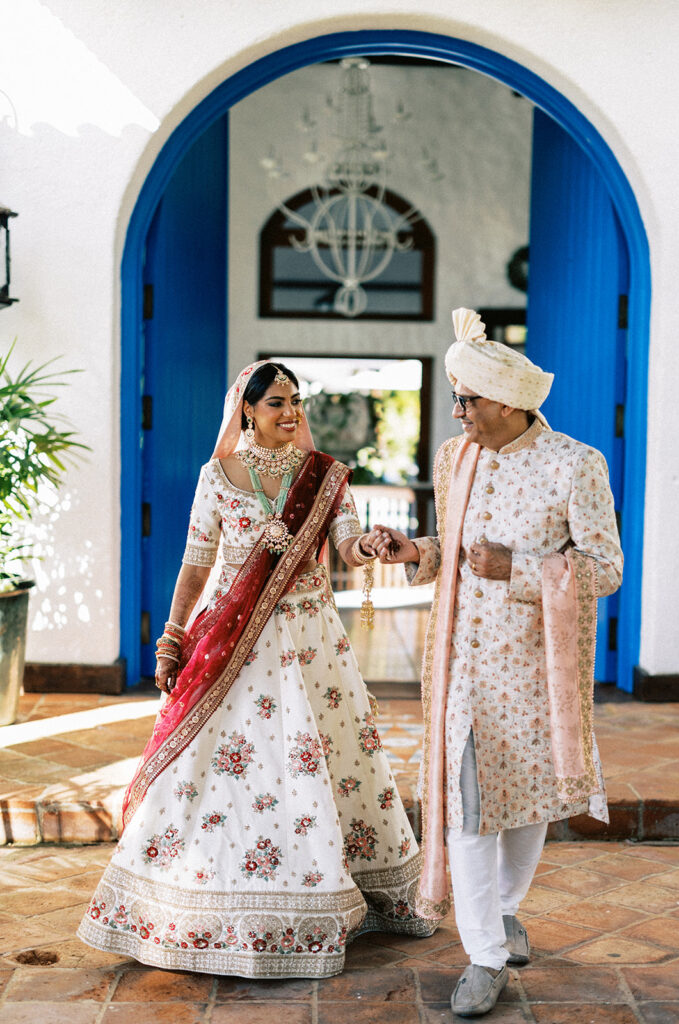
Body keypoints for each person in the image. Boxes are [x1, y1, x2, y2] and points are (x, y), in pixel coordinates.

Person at [77, 361, 435, 979]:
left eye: (295, 400)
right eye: (276, 402)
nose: (290, 411)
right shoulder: (216, 477)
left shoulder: (326, 476)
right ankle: (200, 903)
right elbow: (195, 564)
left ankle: (331, 899)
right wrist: (172, 635)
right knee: (226, 772)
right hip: (234, 646)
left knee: (318, 762)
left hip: (311, 642)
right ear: (246, 409)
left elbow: (345, 544)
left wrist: (370, 547)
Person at [368, 309, 623, 1016]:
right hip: (461, 669)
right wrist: (413, 552)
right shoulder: (458, 460)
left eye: (468, 399)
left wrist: (520, 568)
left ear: (507, 403)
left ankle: (506, 910)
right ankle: (484, 951)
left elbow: (605, 569)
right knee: (469, 805)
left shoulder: (576, 464)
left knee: (525, 801)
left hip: (536, 670)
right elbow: (450, 545)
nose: (457, 413)